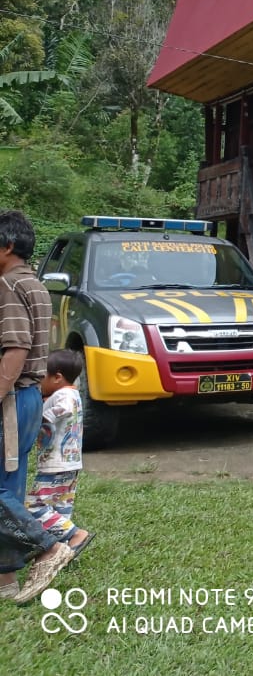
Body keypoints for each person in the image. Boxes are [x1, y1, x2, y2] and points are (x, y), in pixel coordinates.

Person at [0, 210, 75, 602]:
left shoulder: (7, 285)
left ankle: (50, 545)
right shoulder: (34, 283)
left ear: (7, 246)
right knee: (8, 487)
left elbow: (15, 347)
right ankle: (6, 580)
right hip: (29, 398)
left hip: (10, 400)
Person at [26, 349, 92, 553]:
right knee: (60, 508)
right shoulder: (74, 393)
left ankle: (75, 534)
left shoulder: (63, 395)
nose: (39, 381)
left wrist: (43, 416)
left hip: (55, 464)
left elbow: (63, 410)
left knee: (34, 506)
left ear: (57, 377)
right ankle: (62, 547)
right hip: (69, 463)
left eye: (41, 376)